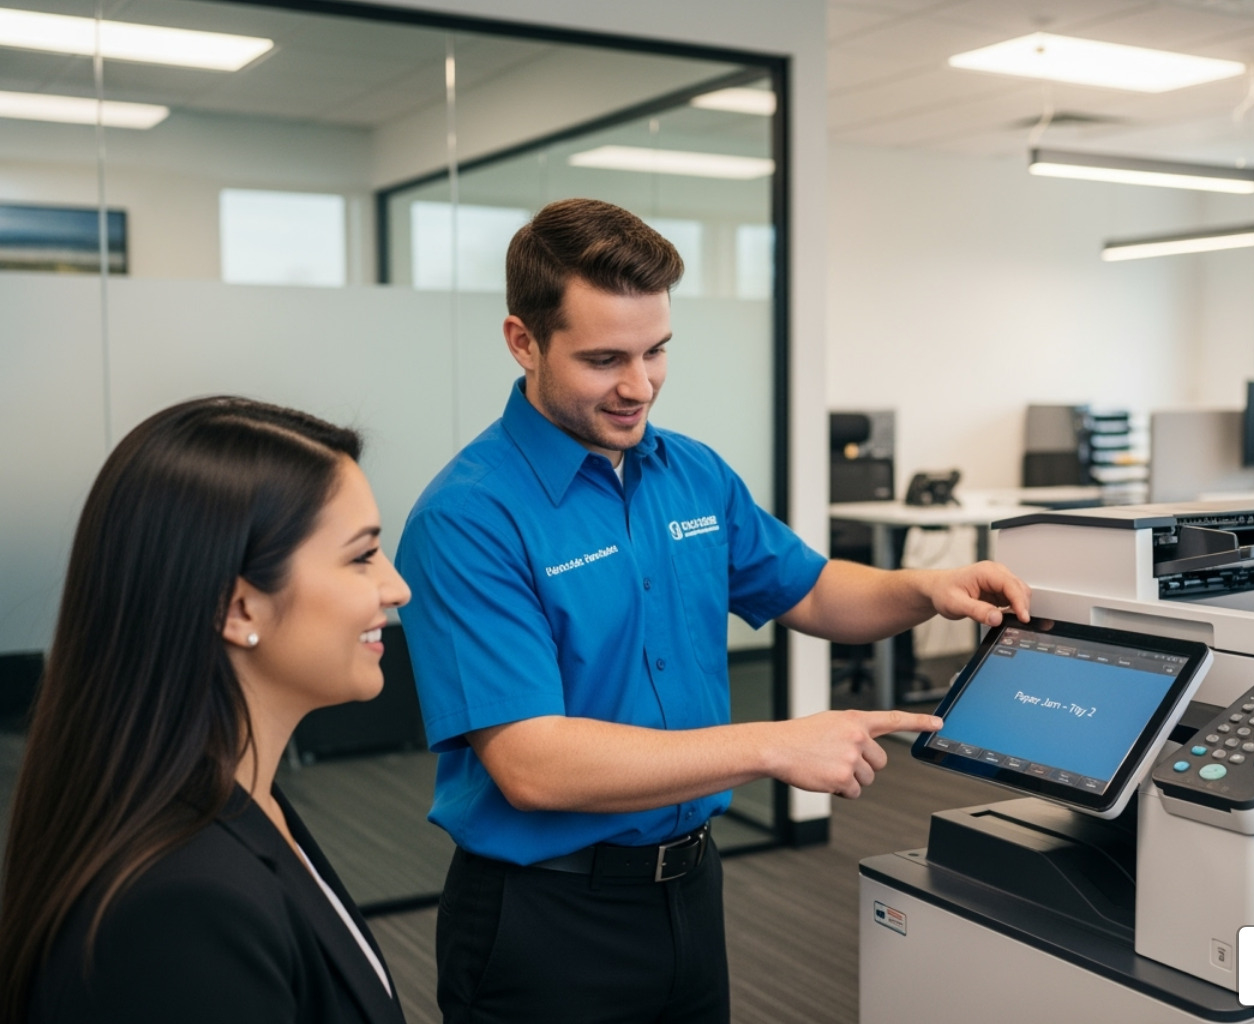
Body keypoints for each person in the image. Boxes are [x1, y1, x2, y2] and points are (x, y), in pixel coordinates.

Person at [396, 197, 1031, 1024]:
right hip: (547, 916)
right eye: (604, 359)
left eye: (656, 351)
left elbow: (807, 587)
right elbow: (532, 763)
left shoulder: (688, 472)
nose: (638, 385)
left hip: (691, 890)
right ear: (524, 341)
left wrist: (923, 592)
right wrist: (774, 746)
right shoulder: (469, 516)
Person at [0, 397, 413, 1024]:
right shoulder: (182, 905)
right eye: (362, 556)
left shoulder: (243, 801)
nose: (396, 586)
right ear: (238, 608)